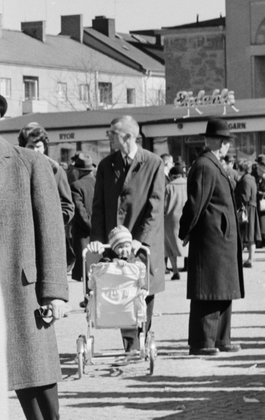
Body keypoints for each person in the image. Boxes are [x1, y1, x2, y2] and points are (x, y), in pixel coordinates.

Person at [1, 133, 70, 420]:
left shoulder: (29, 163)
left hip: (20, 289)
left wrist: (55, 291)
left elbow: (51, 230)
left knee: (36, 381)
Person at [89, 115, 165, 352]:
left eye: (112, 133)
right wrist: (98, 243)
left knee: (144, 289)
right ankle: (131, 346)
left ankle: (141, 338)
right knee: (121, 289)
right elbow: (99, 207)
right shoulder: (105, 165)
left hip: (142, 242)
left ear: (129, 136)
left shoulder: (153, 163)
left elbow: (156, 206)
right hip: (114, 242)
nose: (108, 136)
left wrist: (139, 240)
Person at [180, 119, 244, 355]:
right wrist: (185, 231)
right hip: (211, 239)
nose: (228, 145)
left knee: (224, 288)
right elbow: (196, 203)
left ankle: (221, 339)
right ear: (218, 142)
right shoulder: (205, 165)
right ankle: (202, 342)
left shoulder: (214, 163)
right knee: (208, 290)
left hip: (221, 238)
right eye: (226, 141)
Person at [18, 124, 74, 262]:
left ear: (44, 147)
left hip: (48, 240)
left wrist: (50, 222)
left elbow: (68, 207)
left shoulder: (56, 171)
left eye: (39, 147)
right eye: (31, 146)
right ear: (23, 147)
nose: (35, 151)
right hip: (21, 239)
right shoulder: (15, 170)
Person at [69, 153, 97, 282]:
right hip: (100, 233)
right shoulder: (100, 183)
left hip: (83, 235)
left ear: (78, 170)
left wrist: (91, 228)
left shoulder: (76, 185)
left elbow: (80, 213)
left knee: (86, 273)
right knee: (99, 271)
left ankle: (87, 300)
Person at [164, 162, 187, 280]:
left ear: (172, 176)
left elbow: (163, 205)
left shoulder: (168, 187)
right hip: (187, 217)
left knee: (170, 245)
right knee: (188, 244)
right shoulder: (189, 184)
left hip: (171, 219)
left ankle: (175, 271)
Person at [234, 159, 258, 268]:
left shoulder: (245, 180)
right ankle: (250, 259)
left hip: (246, 210)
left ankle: (248, 259)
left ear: (241, 169)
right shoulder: (251, 179)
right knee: (251, 236)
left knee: (243, 236)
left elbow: (245, 196)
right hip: (251, 209)